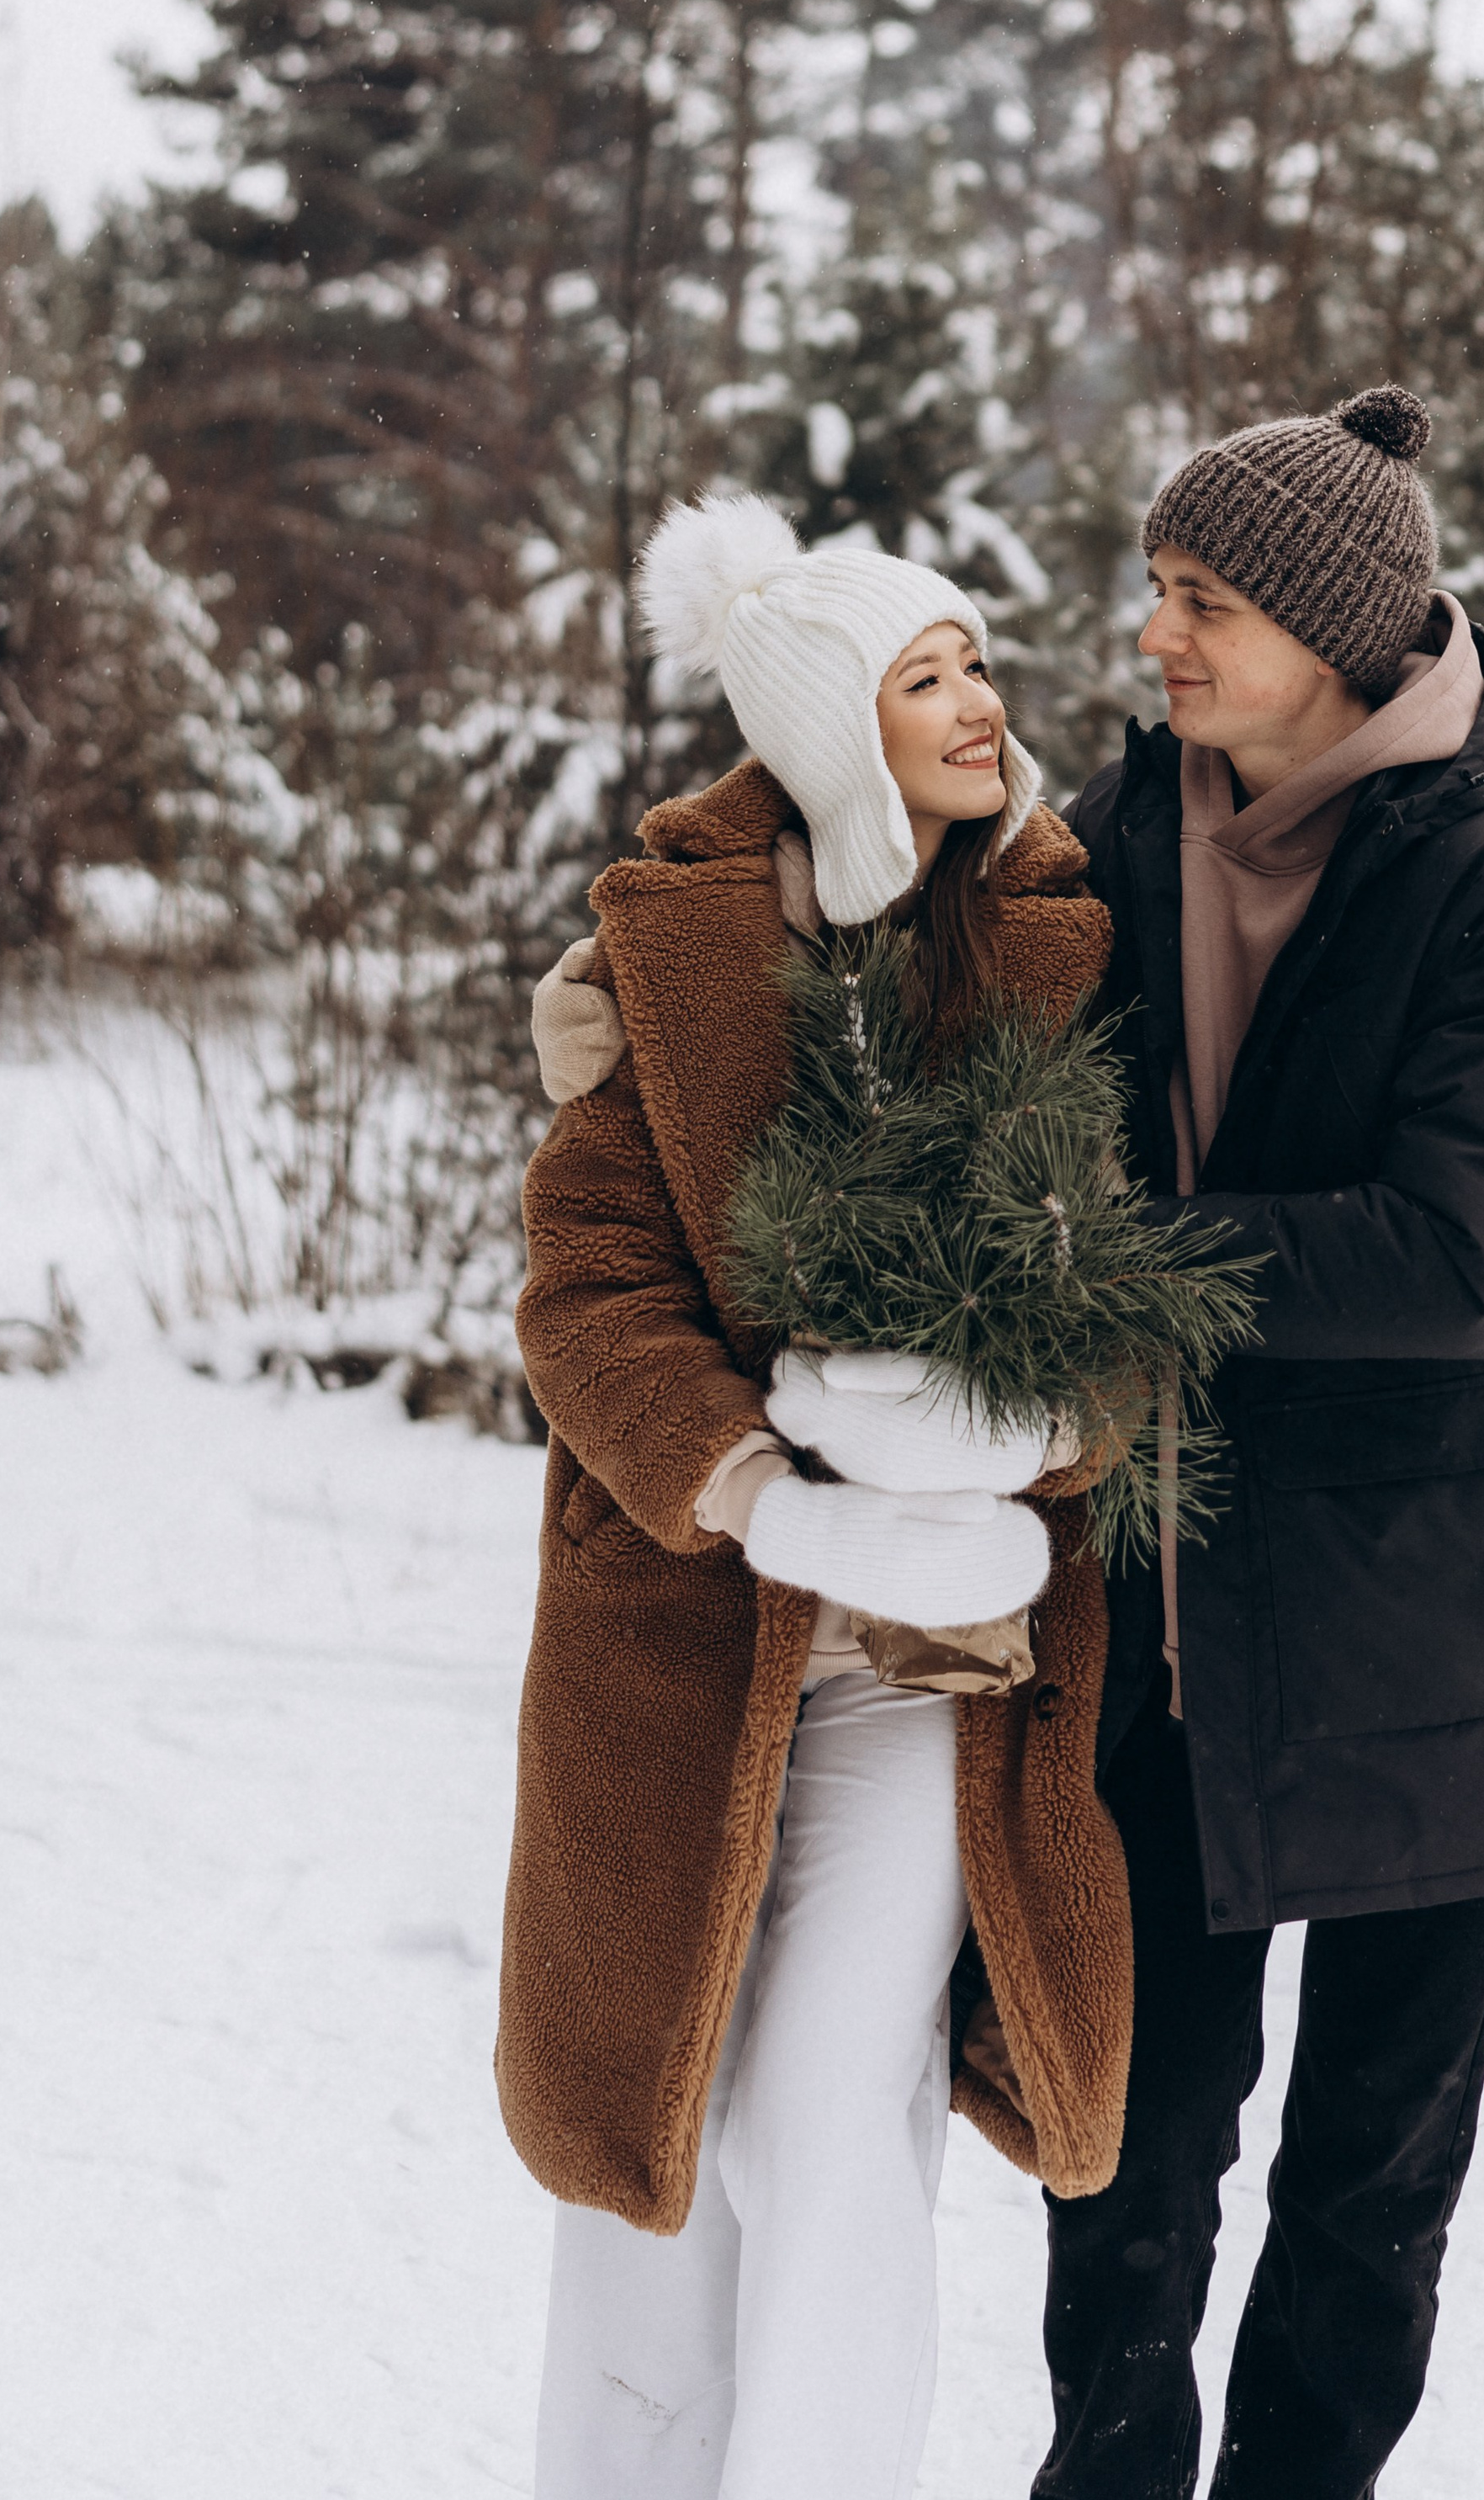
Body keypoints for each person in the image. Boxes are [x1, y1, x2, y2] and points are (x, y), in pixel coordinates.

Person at [533, 389, 1484, 2499]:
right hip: (1178, 1617)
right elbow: (856, 843)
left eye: (1198, 600)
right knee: (1122, 2166)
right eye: (1154, 593)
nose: (1150, 637)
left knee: (1364, 2199)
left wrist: (1076, 1253)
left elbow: (1455, 1259)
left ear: (1327, 627)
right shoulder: (1119, 836)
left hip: (1440, 1630)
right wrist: (625, 976)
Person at [498, 493, 1132, 2500]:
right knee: (648, 2126)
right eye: (920, 675)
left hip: (928, 1665)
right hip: (683, 1630)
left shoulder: (1062, 945)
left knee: (828, 2100)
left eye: (972, 660)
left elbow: (1136, 1299)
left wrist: (1001, 1431)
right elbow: (582, 1292)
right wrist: (768, 1496)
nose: (979, 703)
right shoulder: (660, 960)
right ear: (827, 730)